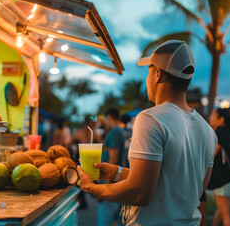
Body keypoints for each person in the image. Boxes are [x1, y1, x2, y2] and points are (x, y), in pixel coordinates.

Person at [77, 40, 216, 225]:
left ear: (157, 73)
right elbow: (186, 187)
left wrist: (92, 188)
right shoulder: (208, 131)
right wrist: (116, 172)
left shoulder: (151, 119)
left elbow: (140, 192)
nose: (147, 78)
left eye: (149, 71)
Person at [208, 108, 230, 226]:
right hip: (226, 178)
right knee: (221, 213)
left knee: (226, 215)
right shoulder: (226, 131)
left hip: (224, 180)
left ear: (221, 119)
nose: (210, 117)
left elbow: (211, 154)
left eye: (213, 114)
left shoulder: (220, 132)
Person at [97, 108, 125, 226]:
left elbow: (113, 160)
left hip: (110, 182)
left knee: (105, 220)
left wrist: (105, 187)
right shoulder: (119, 131)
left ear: (108, 117)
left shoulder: (115, 132)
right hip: (114, 180)